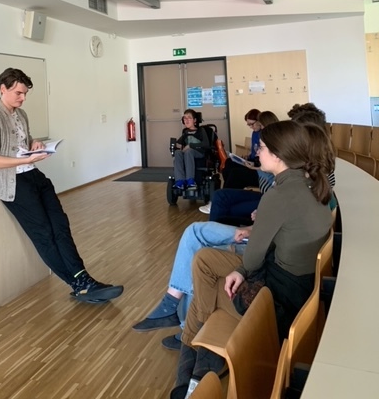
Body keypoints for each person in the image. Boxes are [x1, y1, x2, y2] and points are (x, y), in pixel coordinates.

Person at [170, 120, 335, 398]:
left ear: (278, 156)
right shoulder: (312, 186)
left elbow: (254, 258)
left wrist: (242, 269)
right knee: (203, 260)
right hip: (297, 288)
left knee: (203, 295)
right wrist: (243, 267)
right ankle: (198, 368)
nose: (257, 151)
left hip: (277, 303)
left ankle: (193, 370)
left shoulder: (279, 196)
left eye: (263, 147)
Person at [0, 67, 124, 303]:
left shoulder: (20, 114)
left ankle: (84, 279)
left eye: (25, 93)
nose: (23, 98)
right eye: (18, 93)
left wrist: (34, 144)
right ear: (2, 89)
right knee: (44, 234)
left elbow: (22, 142)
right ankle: (78, 285)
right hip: (13, 183)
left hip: (33, 175)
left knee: (60, 226)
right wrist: (24, 160)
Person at [131, 216, 253, 349]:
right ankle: (171, 307)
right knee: (193, 232)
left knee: (199, 255)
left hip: (257, 247)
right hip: (255, 235)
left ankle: (179, 318)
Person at [199, 110, 278, 218]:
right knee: (229, 163)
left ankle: (224, 198)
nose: (252, 127)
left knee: (235, 174)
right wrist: (248, 159)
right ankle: (228, 193)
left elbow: (268, 167)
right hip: (258, 166)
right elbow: (256, 153)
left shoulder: (272, 140)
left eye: (254, 124)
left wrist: (254, 167)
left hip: (261, 171)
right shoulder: (259, 135)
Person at [173, 109, 211, 189]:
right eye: (185, 118)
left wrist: (190, 146)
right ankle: (180, 181)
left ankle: (190, 180)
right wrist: (176, 146)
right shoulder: (185, 132)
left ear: (195, 120)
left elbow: (206, 144)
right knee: (177, 153)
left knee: (188, 151)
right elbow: (178, 143)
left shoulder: (201, 130)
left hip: (199, 153)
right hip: (188, 153)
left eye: (189, 118)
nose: (186, 120)